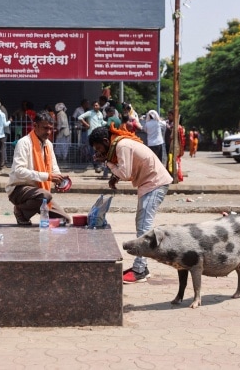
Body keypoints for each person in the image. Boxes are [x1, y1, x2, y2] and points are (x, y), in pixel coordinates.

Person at [89, 125, 172, 284]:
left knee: (143, 227)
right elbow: (125, 168)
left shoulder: (121, 145)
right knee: (142, 225)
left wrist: (107, 162)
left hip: (155, 183)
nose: (99, 152)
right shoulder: (119, 145)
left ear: (107, 141)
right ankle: (142, 266)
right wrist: (114, 174)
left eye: (99, 148)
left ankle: (140, 269)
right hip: (149, 183)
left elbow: (125, 173)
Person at [5, 111, 71, 226]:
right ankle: (20, 211)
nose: (49, 132)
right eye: (45, 128)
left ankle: (34, 207)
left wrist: (59, 179)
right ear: (35, 126)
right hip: (19, 189)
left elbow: (54, 167)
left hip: (40, 191)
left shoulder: (48, 144)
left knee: (64, 220)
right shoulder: (24, 143)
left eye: (51, 129)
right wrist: (48, 176)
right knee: (45, 196)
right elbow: (19, 171)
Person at [78, 101, 106, 173]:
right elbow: (80, 117)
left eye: (96, 105)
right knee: (92, 150)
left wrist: (109, 122)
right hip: (92, 135)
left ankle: (100, 165)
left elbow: (102, 122)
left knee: (100, 150)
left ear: (99, 106)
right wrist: (86, 125)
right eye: (94, 105)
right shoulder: (90, 112)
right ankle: (96, 165)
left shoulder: (100, 113)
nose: (95, 107)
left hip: (99, 134)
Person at [164, 112, 186, 182]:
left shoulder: (176, 128)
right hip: (179, 146)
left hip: (173, 144)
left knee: (171, 160)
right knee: (177, 161)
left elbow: (171, 136)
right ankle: (177, 175)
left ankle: (173, 175)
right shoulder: (182, 128)